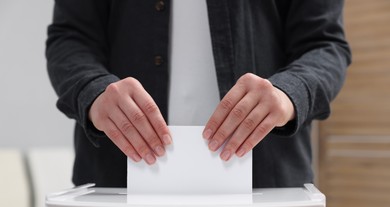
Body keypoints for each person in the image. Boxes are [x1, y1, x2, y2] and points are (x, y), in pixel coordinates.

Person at [46, 0, 351, 188]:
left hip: (266, 190)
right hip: (116, 186)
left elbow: (324, 45)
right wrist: (92, 89)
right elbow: (70, 39)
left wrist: (289, 92)